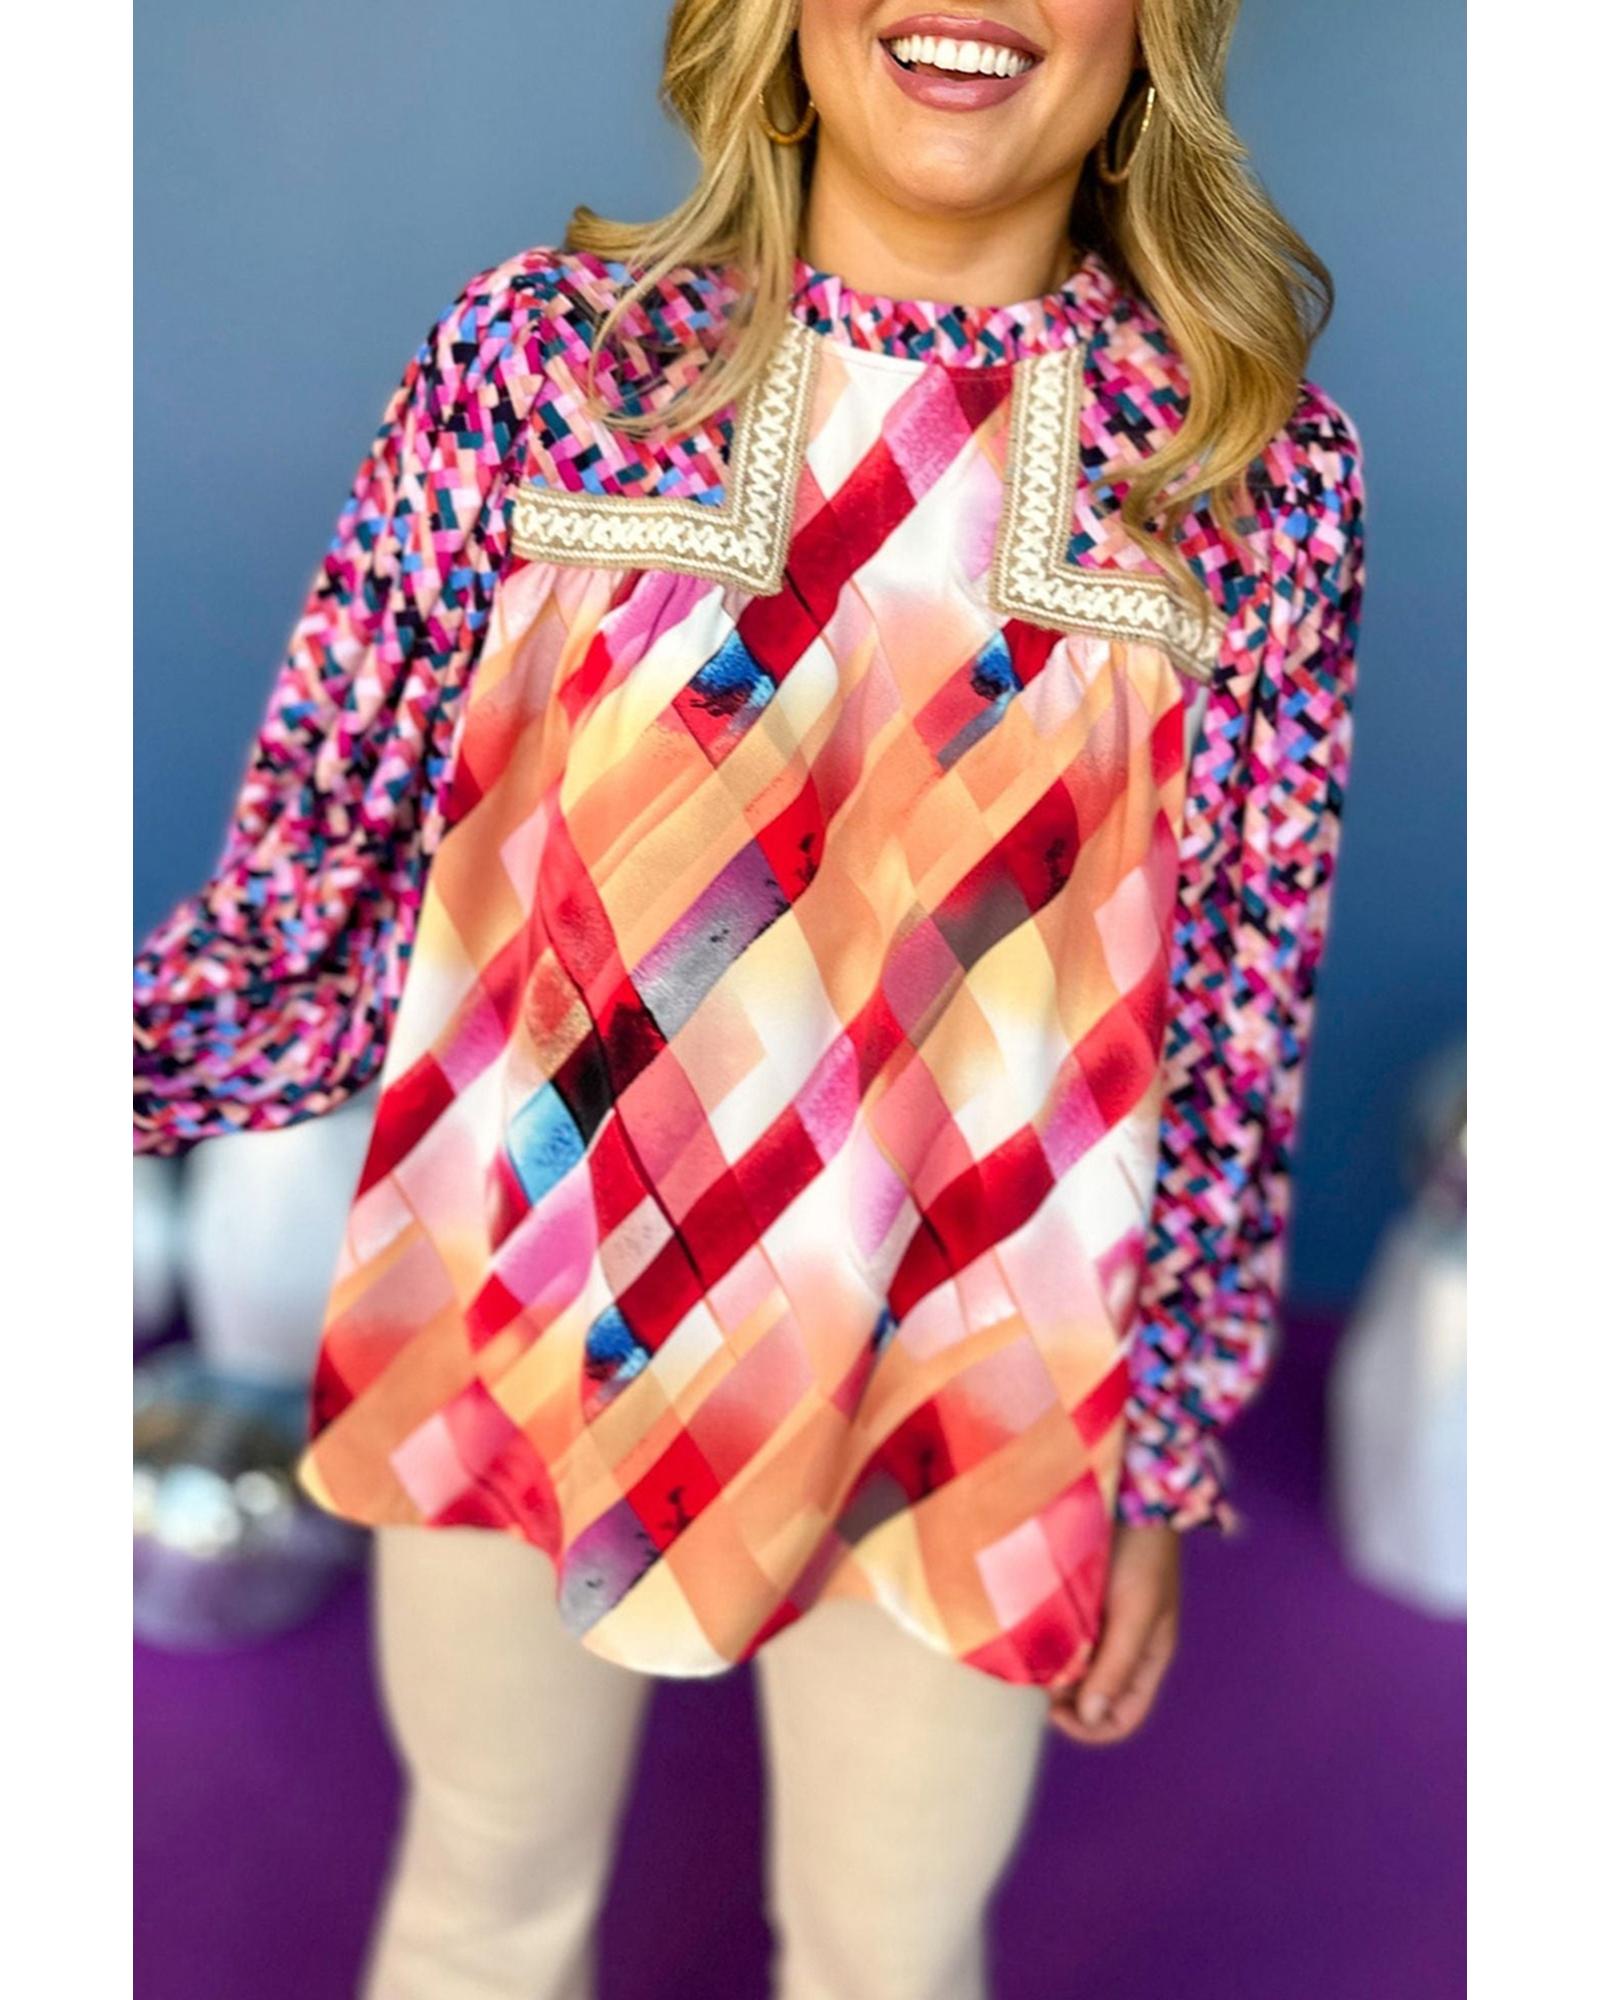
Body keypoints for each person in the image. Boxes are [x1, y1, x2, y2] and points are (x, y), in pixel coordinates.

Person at [132, 3, 1367, 1996]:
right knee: (481, 1899)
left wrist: (1161, 1455)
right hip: (523, 1303)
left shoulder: (1245, 484)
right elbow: (310, 885)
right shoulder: (546, 368)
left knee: (888, 1954)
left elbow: (1236, 1020)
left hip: (971, 1381)